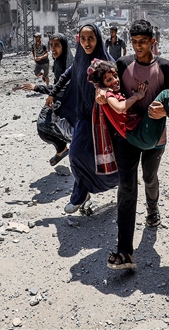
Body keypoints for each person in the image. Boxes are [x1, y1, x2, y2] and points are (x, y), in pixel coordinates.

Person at [103, 20, 169, 270]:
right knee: (127, 188)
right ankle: (124, 251)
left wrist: (162, 111)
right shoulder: (123, 64)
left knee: (149, 177)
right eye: (134, 42)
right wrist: (101, 94)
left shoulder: (164, 66)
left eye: (143, 42)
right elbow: (109, 86)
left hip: (155, 136)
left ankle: (152, 210)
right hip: (127, 137)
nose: (138, 46)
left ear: (153, 41)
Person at [46, 24, 119, 214]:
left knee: (105, 158)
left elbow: (117, 85)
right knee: (76, 154)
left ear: (98, 39)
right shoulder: (79, 59)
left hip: (102, 121)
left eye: (91, 39)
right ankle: (81, 193)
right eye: (83, 39)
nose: (87, 43)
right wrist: (53, 93)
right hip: (83, 117)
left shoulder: (106, 62)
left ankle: (119, 181)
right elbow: (66, 75)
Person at [89, 59, 169, 149]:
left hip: (143, 133)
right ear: (102, 84)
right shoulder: (108, 95)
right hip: (137, 134)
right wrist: (137, 96)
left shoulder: (115, 92)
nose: (115, 80)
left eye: (115, 76)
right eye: (109, 79)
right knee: (166, 94)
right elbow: (120, 108)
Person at [13, 32, 74, 165]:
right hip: (57, 98)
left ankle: (70, 146)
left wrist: (37, 88)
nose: (53, 48)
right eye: (51, 45)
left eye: (57, 45)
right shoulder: (58, 60)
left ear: (64, 46)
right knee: (42, 125)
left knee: (46, 126)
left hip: (67, 102)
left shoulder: (68, 65)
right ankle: (62, 148)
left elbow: (63, 88)